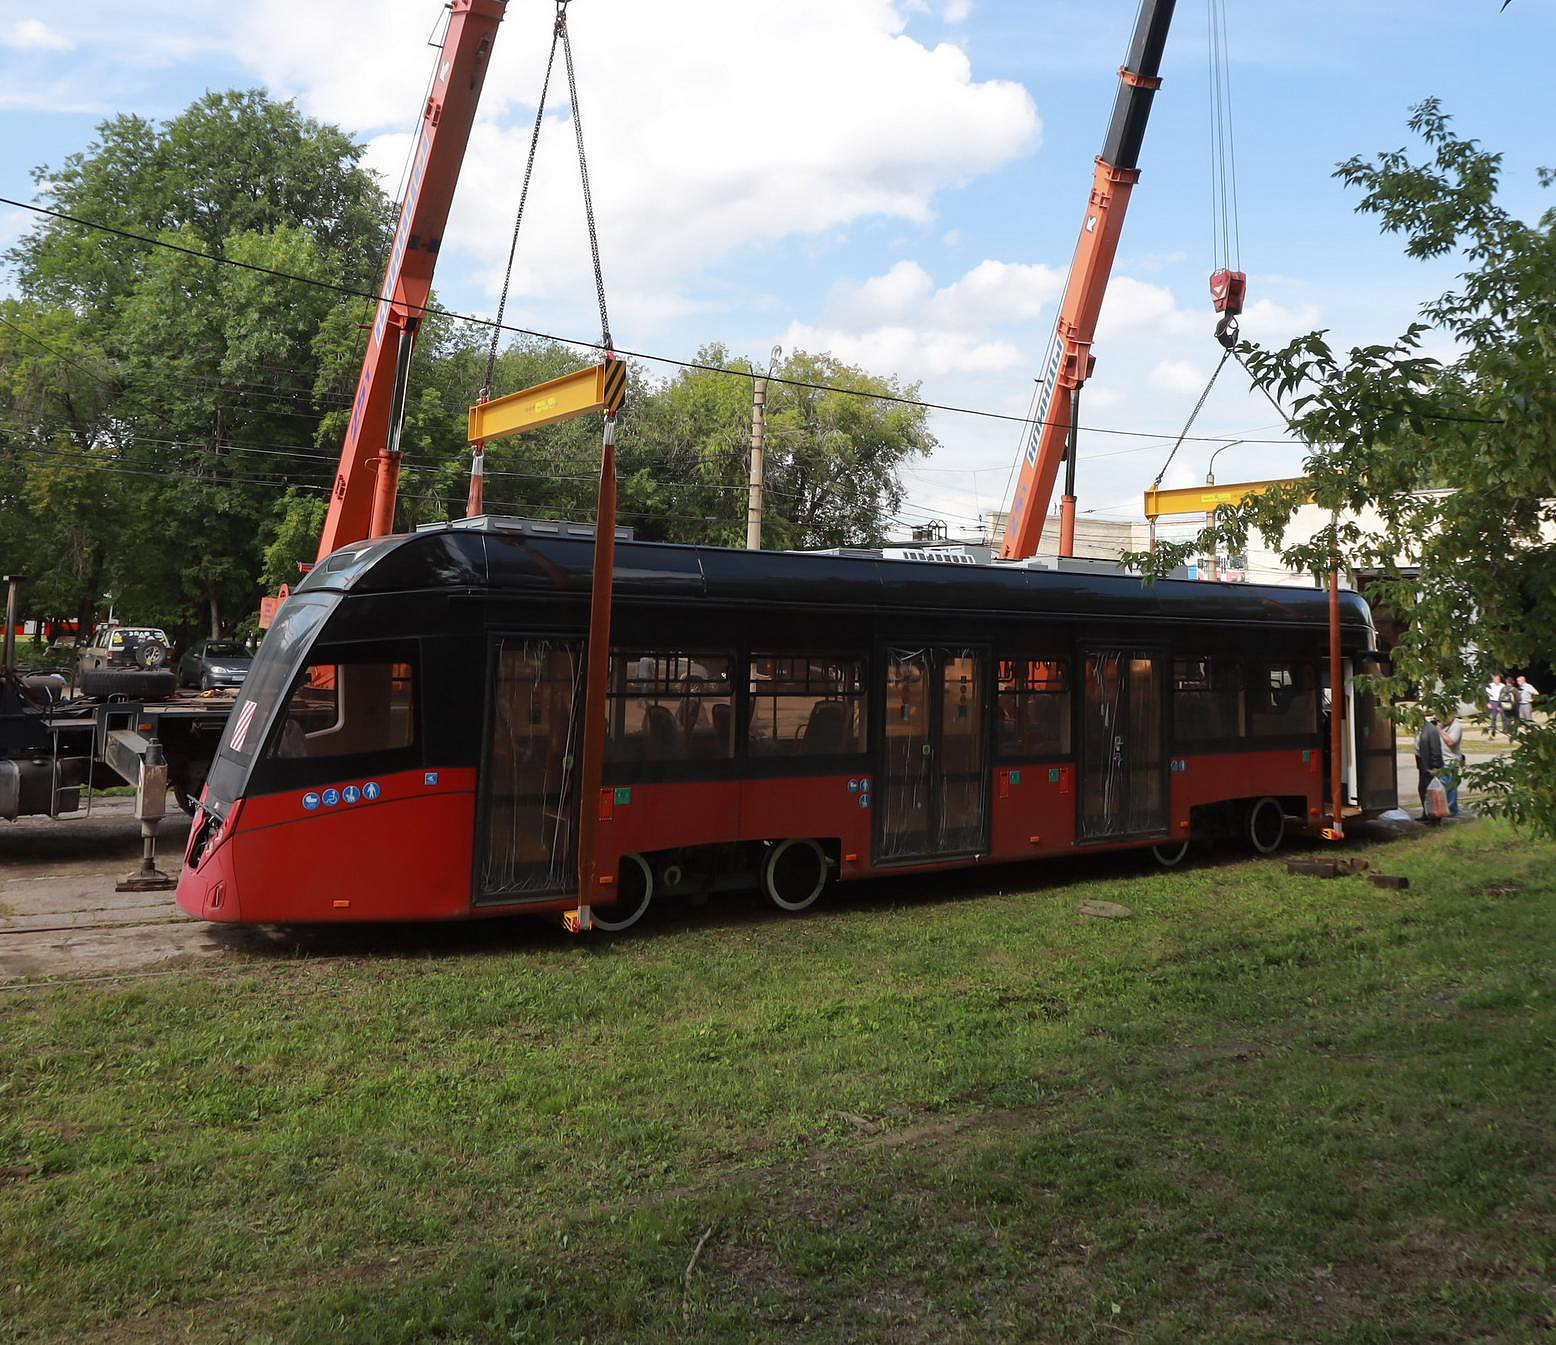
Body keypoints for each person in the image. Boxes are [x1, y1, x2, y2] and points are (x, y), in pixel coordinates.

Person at [1414, 713, 1445, 823]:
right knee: (1422, 789)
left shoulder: (1431, 730)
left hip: (1430, 765)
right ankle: (1427, 813)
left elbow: (1436, 749)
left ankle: (1435, 817)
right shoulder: (1421, 729)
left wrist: (1435, 766)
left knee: (1431, 791)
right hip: (1422, 763)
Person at [1438, 710, 1464, 817]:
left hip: (1451, 760)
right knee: (1442, 785)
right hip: (1441, 759)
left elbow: (1451, 741)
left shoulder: (1456, 726)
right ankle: (1445, 808)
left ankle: (1452, 809)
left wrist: (1440, 731)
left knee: (1450, 786)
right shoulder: (1442, 724)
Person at [1487, 673, 1507, 738]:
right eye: (1495, 679)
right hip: (1493, 701)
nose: (1496, 680)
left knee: (1504, 716)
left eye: (1498, 679)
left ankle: (1505, 729)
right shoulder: (1490, 685)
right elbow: (1487, 694)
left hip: (1501, 701)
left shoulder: (1503, 685)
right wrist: (1488, 703)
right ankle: (1493, 728)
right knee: (1493, 716)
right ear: (1493, 679)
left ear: (1499, 679)